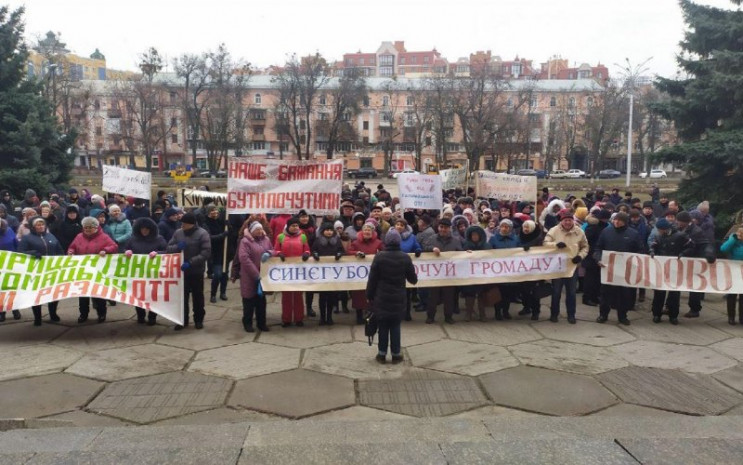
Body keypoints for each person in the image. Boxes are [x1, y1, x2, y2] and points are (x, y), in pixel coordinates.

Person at [366, 229, 418, 364]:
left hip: (381, 296)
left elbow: (372, 279)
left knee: (383, 325)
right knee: (395, 326)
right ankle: (396, 354)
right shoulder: (405, 257)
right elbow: (413, 279)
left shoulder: (379, 257)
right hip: (398, 297)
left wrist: (369, 295)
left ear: (386, 241)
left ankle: (381, 354)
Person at [594, 212, 644, 325]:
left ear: (625, 222)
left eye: (619, 220)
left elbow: (640, 250)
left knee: (624, 295)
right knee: (605, 294)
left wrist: (634, 261)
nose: (616, 222)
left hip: (625, 269)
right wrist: (598, 259)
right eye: (615, 220)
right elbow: (598, 248)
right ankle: (603, 315)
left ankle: (622, 316)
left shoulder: (633, 234)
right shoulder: (606, 231)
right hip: (608, 268)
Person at [67, 216, 119, 323]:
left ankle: (101, 314)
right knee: (83, 295)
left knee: (98, 293)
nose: (88, 230)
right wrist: (71, 251)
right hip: (83, 270)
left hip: (98, 270)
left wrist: (105, 250)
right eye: (86, 228)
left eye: (90, 228)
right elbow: (72, 247)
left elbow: (114, 246)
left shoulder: (104, 237)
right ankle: (83, 314)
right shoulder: (79, 236)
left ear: (96, 227)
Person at [167, 212, 211, 330]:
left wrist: (190, 262)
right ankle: (182, 320)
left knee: (198, 297)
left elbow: (206, 252)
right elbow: (169, 248)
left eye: (184, 224)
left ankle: (198, 319)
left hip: (196, 271)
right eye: (182, 223)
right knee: (182, 297)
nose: (182, 225)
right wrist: (177, 247)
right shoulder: (178, 233)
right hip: (181, 272)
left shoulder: (202, 233)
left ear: (191, 224)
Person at [544, 209, 589, 324]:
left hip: (572, 267)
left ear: (572, 221)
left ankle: (571, 315)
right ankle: (554, 314)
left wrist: (580, 256)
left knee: (571, 293)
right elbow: (545, 243)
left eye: (569, 220)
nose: (567, 222)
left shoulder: (579, 232)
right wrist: (555, 244)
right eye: (565, 220)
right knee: (556, 292)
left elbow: (585, 247)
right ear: (561, 221)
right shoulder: (554, 230)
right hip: (557, 267)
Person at [18, 217, 64, 325]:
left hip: (52, 270)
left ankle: (53, 313)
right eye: (37, 225)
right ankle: (37, 317)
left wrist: (61, 259)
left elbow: (59, 250)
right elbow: (20, 252)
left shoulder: (50, 236)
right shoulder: (27, 238)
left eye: (42, 224)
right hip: (35, 271)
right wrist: (33, 253)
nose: (40, 226)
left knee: (53, 293)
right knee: (36, 294)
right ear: (33, 227)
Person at [649, 218, 694, 325]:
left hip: (675, 267)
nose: (658, 231)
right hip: (662, 267)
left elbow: (691, 246)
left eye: (660, 229)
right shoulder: (658, 236)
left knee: (674, 293)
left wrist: (683, 254)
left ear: (665, 229)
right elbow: (653, 245)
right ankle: (656, 314)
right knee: (659, 292)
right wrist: (652, 250)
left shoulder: (680, 236)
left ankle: (673, 316)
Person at [124, 217, 167, 325]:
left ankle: (152, 316)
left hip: (153, 273)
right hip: (138, 273)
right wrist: (127, 251)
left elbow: (167, 251)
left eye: (147, 229)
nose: (144, 231)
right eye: (142, 229)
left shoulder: (159, 239)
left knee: (153, 296)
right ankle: (140, 315)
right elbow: (125, 249)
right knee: (138, 295)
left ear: (151, 229)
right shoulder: (133, 239)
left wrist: (158, 253)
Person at [675, 210, 716, 317]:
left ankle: (694, 309)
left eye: (678, 221)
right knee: (674, 284)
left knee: (694, 286)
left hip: (693, 261)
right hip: (681, 259)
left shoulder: (696, 231)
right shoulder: (678, 228)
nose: (677, 222)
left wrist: (708, 254)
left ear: (684, 221)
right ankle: (671, 306)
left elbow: (704, 244)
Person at [234, 221, 273, 332]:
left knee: (261, 301)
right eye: (257, 229)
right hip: (249, 276)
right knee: (249, 300)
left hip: (263, 275)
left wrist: (269, 253)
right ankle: (247, 323)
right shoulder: (245, 241)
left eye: (261, 229)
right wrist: (256, 274)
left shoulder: (266, 239)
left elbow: (272, 250)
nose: (260, 231)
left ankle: (262, 323)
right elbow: (244, 259)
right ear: (251, 230)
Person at [423, 218, 463, 324]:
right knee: (433, 297)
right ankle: (430, 316)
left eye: (445, 227)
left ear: (449, 228)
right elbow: (424, 247)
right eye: (441, 227)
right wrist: (432, 248)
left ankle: (448, 317)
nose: (443, 229)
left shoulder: (455, 240)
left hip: (449, 274)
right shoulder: (432, 239)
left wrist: (467, 253)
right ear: (438, 227)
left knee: (449, 297)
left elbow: (460, 254)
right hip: (434, 274)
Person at [273, 217, 311, 327]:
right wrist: (279, 253)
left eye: (297, 226)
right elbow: (275, 249)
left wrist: (306, 254)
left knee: (298, 296)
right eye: (293, 226)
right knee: (286, 297)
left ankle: (299, 318)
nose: (295, 228)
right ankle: (286, 319)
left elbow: (307, 249)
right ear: (288, 226)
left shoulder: (303, 236)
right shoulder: (280, 237)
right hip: (285, 272)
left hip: (298, 271)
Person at [348, 221, 384, 324]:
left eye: (369, 230)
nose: (367, 232)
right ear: (362, 231)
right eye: (365, 230)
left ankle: (372, 315)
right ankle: (359, 316)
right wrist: (356, 253)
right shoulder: (355, 242)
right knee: (359, 295)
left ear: (372, 232)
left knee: (373, 293)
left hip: (373, 274)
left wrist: (379, 254)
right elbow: (348, 252)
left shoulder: (378, 242)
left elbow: (384, 251)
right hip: (359, 275)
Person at [310, 222, 345, 326]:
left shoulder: (337, 241)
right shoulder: (318, 241)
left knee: (331, 297)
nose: (329, 232)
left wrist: (340, 254)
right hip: (321, 274)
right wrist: (315, 254)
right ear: (322, 231)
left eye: (331, 230)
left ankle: (329, 317)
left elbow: (342, 250)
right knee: (322, 297)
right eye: (327, 230)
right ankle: (322, 317)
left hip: (333, 274)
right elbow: (313, 250)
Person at [204, 205, 229, 303]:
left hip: (224, 251)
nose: (216, 212)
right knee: (217, 274)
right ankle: (213, 294)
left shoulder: (221, 221)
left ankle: (223, 292)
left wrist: (228, 225)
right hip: (214, 253)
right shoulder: (206, 223)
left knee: (224, 274)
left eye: (216, 210)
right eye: (213, 211)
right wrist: (222, 235)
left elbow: (228, 232)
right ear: (209, 212)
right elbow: (209, 238)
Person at [721, 226, 743, 325]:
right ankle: (731, 317)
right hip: (733, 270)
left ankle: (742, 318)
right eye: (739, 233)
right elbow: (723, 249)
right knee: (732, 295)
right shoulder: (733, 241)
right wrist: (733, 239)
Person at [0, 218, 20, 322]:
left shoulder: (9, 230)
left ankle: (15, 309)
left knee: (12, 288)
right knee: (1, 289)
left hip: (12, 264)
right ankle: (1, 312)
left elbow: (16, 245)